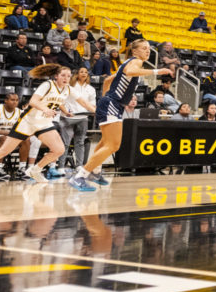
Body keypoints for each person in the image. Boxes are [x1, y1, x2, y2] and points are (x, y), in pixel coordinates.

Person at [69, 39, 173, 191]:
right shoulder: (136, 62)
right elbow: (130, 72)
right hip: (112, 104)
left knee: (106, 142)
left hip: (111, 104)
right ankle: (80, 176)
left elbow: (107, 81)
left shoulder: (126, 64)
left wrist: (104, 100)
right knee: (113, 145)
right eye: (144, 48)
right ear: (134, 51)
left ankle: (95, 172)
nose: (147, 51)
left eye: (149, 49)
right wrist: (157, 71)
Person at [0, 65, 78, 184]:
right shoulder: (47, 85)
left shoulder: (66, 89)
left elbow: (59, 101)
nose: (66, 78)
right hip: (28, 121)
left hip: (43, 123)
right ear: (56, 76)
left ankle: (34, 170)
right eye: (63, 75)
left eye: (68, 76)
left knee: (59, 149)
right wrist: (45, 110)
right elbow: (33, 101)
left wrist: (66, 111)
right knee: (4, 151)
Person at [59, 67, 96, 173]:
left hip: (83, 117)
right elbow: (62, 101)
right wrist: (65, 111)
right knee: (65, 143)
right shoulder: (70, 87)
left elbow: (92, 104)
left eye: (86, 72)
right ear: (77, 74)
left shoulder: (91, 89)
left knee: (80, 142)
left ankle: (79, 165)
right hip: (68, 117)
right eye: (81, 72)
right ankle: (61, 166)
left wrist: (94, 110)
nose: (84, 74)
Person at [0, 92, 29, 179]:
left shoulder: (20, 112)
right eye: (12, 100)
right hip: (0, 136)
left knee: (25, 139)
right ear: (6, 101)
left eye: (17, 100)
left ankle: (21, 169)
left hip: (12, 136)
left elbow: (24, 127)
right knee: (3, 139)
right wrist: (7, 133)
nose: (15, 102)